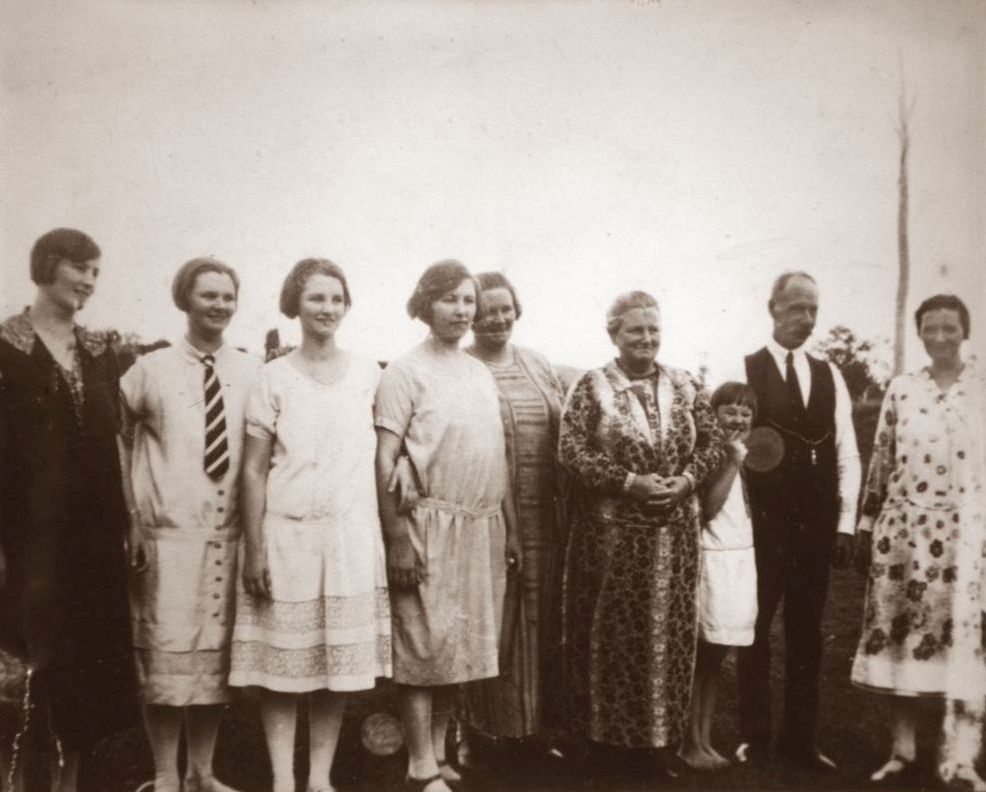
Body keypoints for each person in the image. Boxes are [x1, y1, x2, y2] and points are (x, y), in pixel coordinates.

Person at [229, 259, 391, 792]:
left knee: (334, 667)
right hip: (287, 539)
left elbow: (385, 451)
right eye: (317, 298)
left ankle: (319, 779)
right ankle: (282, 779)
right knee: (283, 668)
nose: (328, 308)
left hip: (349, 539)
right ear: (294, 305)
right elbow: (253, 469)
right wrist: (255, 549)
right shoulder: (272, 377)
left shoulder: (369, 374)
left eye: (336, 298)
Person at [557, 290, 723, 777]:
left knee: (666, 638)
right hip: (610, 540)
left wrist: (687, 480)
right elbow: (571, 450)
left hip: (675, 538)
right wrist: (629, 482)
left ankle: (657, 747)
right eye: (635, 330)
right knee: (609, 638)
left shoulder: (685, 384)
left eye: (653, 329)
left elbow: (712, 442)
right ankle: (603, 746)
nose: (646, 338)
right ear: (614, 334)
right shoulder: (591, 386)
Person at [0, 228, 138, 792]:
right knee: (24, 671)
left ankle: (69, 786)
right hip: (26, 539)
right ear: (48, 266)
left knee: (87, 672)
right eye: (80, 268)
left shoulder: (101, 351)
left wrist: (132, 521)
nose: (89, 281)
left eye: (96, 272)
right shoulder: (6, 347)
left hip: (96, 537)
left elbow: (118, 441)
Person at [374, 260, 520, 792]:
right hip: (426, 526)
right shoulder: (404, 371)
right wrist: (398, 540)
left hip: (479, 528)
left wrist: (507, 529)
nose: (461, 310)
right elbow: (384, 459)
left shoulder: (478, 372)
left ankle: (437, 753)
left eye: (467, 300)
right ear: (426, 304)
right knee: (424, 645)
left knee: (459, 648)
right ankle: (418, 766)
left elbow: (495, 455)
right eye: (449, 299)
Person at [119, 257, 261, 792]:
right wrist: (133, 517)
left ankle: (202, 772)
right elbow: (116, 438)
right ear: (185, 300)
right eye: (209, 295)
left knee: (211, 665)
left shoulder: (252, 371)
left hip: (227, 538)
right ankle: (164, 775)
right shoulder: (149, 370)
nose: (220, 306)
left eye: (228, 296)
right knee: (165, 659)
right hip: (166, 540)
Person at [851, 295, 986, 789]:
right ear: (920, 333)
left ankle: (962, 759)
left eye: (950, 328)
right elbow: (881, 459)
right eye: (931, 328)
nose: (941, 337)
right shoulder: (902, 389)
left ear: (965, 332)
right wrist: (867, 525)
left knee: (967, 643)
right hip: (905, 536)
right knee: (903, 636)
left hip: (967, 540)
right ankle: (902, 750)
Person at [734, 271, 861, 772]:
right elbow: (728, 447)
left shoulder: (830, 374)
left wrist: (845, 523)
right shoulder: (745, 367)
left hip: (815, 525)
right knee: (755, 627)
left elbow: (847, 452)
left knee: (807, 633)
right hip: (762, 525)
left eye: (813, 310)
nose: (806, 319)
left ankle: (800, 742)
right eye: (796, 308)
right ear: (773, 308)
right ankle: (753, 737)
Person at [460, 272, 567, 753]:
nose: (498, 319)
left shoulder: (537, 363)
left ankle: (533, 730)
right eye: (487, 311)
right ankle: (480, 729)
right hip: (491, 512)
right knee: (496, 620)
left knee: (540, 616)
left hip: (548, 512)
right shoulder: (464, 367)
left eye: (506, 309)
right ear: (471, 316)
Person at [680, 381, 758, 771]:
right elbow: (709, 509)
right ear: (714, 415)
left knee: (716, 660)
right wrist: (731, 461)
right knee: (701, 657)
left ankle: (705, 740)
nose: (738, 419)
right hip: (714, 561)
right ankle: (689, 744)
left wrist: (738, 459)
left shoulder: (739, 454)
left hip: (739, 560)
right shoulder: (715, 455)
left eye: (746, 413)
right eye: (730, 411)